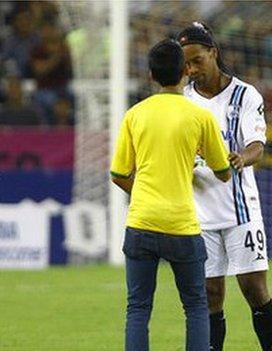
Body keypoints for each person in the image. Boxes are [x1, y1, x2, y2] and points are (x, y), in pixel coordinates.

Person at [110, 39, 231, 351]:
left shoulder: (135, 115)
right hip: (182, 225)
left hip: (142, 221)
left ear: (151, 75)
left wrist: (146, 193)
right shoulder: (201, 117)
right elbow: (223, 172)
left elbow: (118, 173)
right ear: (185, 72)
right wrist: (200, 157)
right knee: (195, 307)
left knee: (138, 308)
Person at [178, 22, 272, 351]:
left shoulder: (245, 95)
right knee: (210, 295)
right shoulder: (181, 102)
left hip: (240, 212)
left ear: (213, 53)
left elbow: (256, 144)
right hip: (198, 216)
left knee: (254, 290)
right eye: (186, 64)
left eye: (197, 60)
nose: (191, 70)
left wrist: (241, 159)